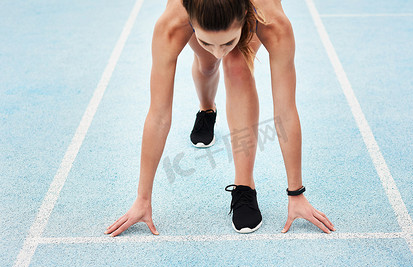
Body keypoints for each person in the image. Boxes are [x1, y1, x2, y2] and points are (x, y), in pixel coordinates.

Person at [105, 0, 335, 236]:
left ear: (246, 16)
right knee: (208, 65)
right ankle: (207, 109)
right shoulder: (171, 24)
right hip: (203, 22)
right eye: (206, 41)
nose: (218, 51)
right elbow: (159, 115)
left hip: (251, 16)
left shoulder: (274, 23)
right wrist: (142, 199)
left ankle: (244, 185)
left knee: (236, 64)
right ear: (190, 20)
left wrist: (296, 193)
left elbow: (285, 111)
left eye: (227, 41)